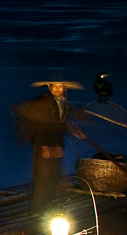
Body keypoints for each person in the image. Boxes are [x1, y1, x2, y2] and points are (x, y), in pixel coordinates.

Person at [12, 79, 84, 213]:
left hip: (56, 144)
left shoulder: (62, 102)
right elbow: (42, 126)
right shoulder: (44, 102)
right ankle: (37, 208)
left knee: (54, 176)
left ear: (65, 88)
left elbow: (59, 123)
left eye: (60, 87)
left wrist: (73, 131)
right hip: (43, 144)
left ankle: (48, 204)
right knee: (43, 177)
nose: (57, 89)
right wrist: (44, 146)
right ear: (49, 87)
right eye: (54, 87)